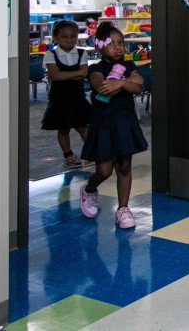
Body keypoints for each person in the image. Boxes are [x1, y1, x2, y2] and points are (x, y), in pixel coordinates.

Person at [79, 22, 147, 228]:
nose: (119, 47)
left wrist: (122, 82)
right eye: (113, 43)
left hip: (125, 122)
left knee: (125, 166)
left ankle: (123, 209)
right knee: (105, 170)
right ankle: (89, 190)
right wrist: (126, 82)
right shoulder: (95, 68)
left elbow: (138, 86)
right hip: (103, 125)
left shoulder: (130, 66)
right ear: (99, 46)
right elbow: (102, 88)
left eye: (121, 42)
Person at [41, 19, 90, 168]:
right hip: (59, 98)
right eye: (64, 36)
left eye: (73, 36)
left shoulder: (82, 53)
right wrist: (75, 74)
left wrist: (63, 74)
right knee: (63, 128)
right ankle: (68, 155)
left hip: (77, 97)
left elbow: (83, 74)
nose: (69, 39)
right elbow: (56, 76)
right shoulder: (50, 54)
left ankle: (91, 152)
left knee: (83, 127)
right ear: (56, 37)